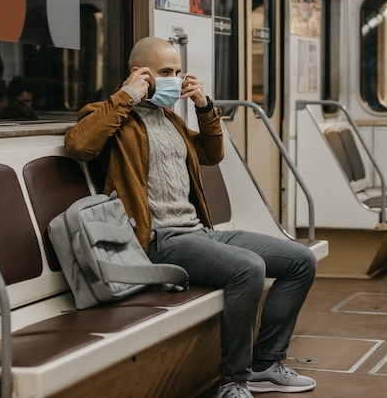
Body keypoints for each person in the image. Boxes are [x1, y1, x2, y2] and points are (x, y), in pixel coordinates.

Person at [65, 36, 317, 398]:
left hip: (197, 233)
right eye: (165, 72)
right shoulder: (112, 115)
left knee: (300, 261)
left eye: (178, 71)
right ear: (140, 73)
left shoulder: (169, 118)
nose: (175, 79)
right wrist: (127, 96)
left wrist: (204, 106)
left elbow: (211, 155)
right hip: (155, 240)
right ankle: (233, 381)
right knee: (249, 268)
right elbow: (79, 144)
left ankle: (265, 363)